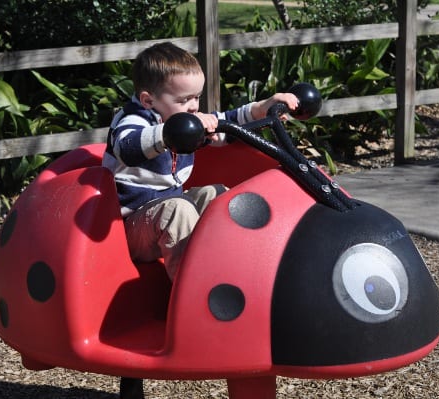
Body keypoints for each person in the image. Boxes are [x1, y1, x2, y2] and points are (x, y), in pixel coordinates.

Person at [102, 42, 299, 280]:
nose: (194, 106)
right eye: (185, 99)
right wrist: (168, 134)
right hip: (129, 229)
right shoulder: (133, 120)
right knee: (179, 210)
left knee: (217, 195)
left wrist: (260, 108)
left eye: (197, 97)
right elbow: (127, 147)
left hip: (166, 209)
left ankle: (241, 272)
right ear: (148, 100)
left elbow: (225, 123)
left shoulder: (182, 115)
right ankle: (194, 292)